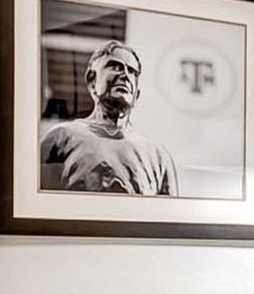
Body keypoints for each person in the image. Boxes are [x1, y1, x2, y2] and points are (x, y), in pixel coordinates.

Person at [39, 40, 178, 195]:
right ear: (92, 81)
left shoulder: (158, 157)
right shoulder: (59, 139)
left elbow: (169, 217)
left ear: (136, 94)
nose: (125, 75)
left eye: (132, 72)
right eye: (115, 66)